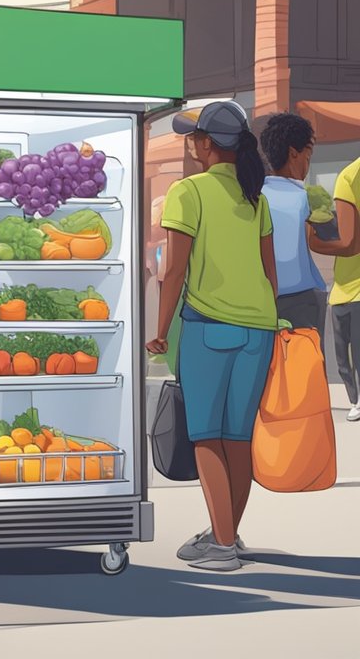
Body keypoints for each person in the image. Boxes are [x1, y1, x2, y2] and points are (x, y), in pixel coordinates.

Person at [146, 100, 275, 573]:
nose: (190, 143)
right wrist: (268, 319)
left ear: (206, 144)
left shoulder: (189, 192)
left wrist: (159, 331)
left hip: (209, 327)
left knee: (206, 437)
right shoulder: (253, 196)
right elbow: (269, 272)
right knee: (237, 438)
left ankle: (221, 546)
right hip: (258, 330)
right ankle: (227, 533)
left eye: (193, 136)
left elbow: (174, 269)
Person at [260, 114, 326, 335]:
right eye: (308, 157)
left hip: (262, 299)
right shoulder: (307, 197)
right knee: (308, 365)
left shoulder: (256, 196)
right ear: (293, 153)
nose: (308, 164)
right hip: (302, 299)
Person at [308, 152, 360, 423]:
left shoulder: (348, 177)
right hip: (343, 289)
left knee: (348, 355)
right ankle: (355, 400)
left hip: (351, 289)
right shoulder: (350, 176)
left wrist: (313, 242)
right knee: (344, 355)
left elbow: (349, 244)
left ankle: (356, 400)